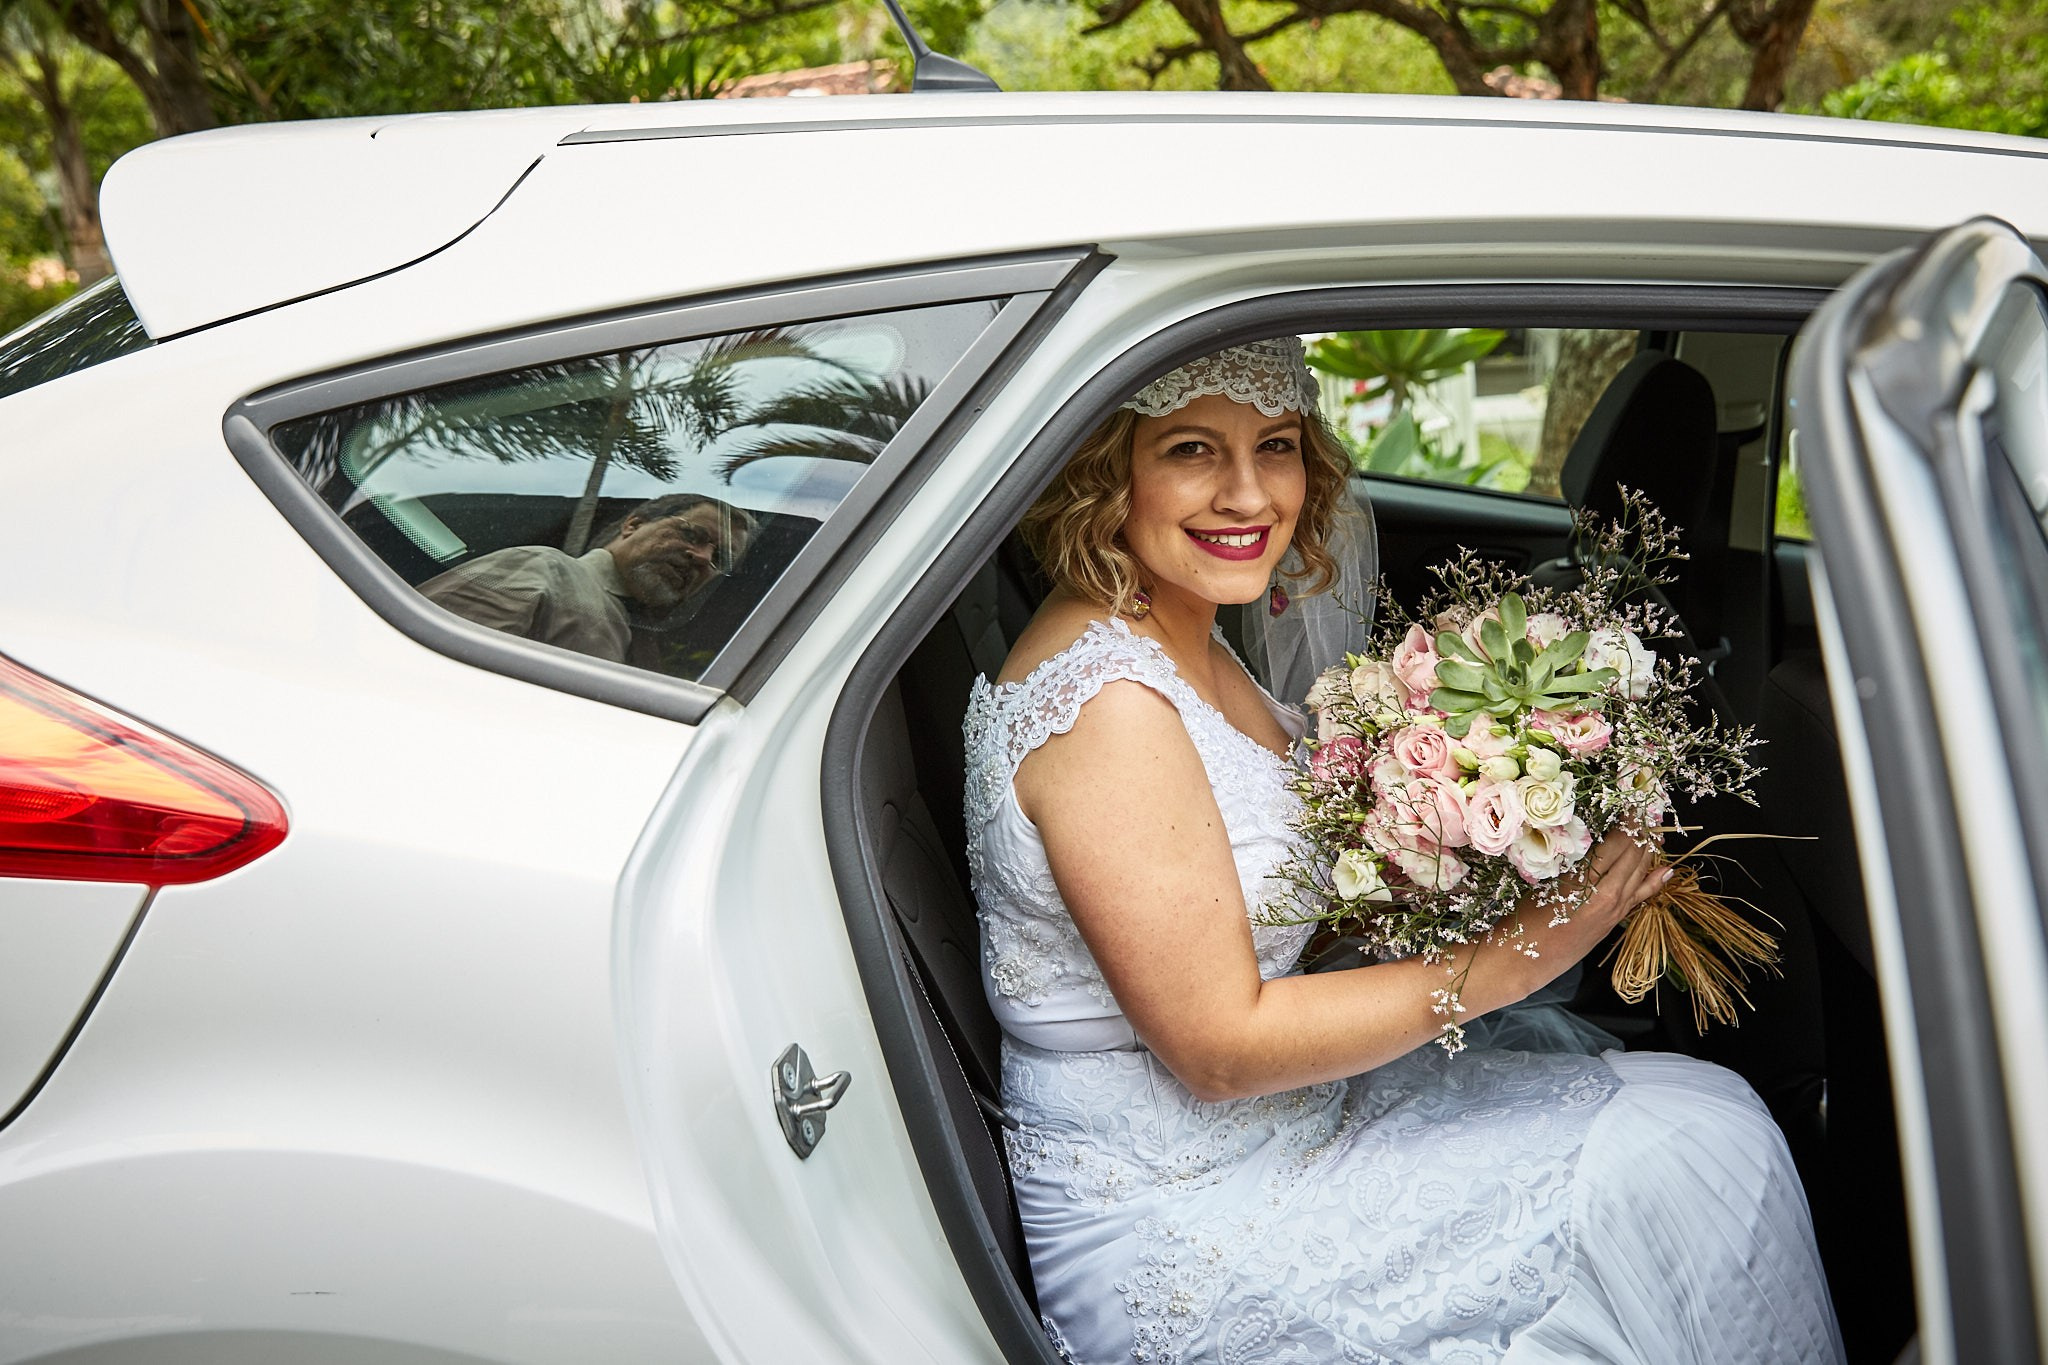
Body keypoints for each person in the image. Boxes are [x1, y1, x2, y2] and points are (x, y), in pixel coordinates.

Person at [961, 338, 1844, 1364]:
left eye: (1276, 447)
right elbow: (1216, 1049)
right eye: (1193, 450)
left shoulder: (1182, 638)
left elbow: (1239, 906)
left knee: (1695, 1118)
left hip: (1271, 1130)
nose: (1247, 495)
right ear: (1108, 469)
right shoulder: (1110, 705)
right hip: (1183, 1203)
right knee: (1693, 1152)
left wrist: (1447, 842)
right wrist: (1513, 958)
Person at [418, 493, 752, 664]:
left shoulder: (649, 646)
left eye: (719, 559)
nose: (702, 557)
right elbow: (435, 668)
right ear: (632, 526)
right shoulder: (541, 568)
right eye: (691, 534)